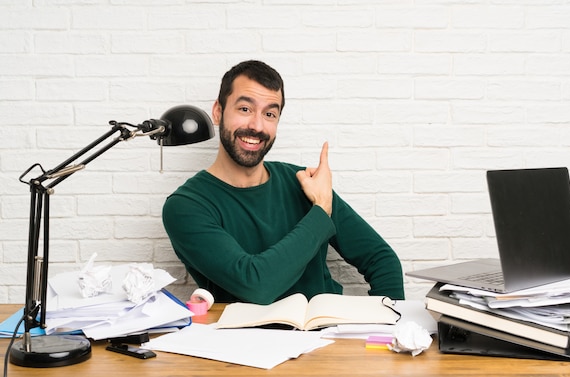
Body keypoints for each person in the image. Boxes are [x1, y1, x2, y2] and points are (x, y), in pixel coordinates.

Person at [162, 60, 405, 304]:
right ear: (218, 111)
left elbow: (381, 259)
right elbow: (256, 285)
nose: (257, 126)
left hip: (326, 335)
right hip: (243, 340)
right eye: (245, 109)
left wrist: (386, 323)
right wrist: (321, 211)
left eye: (269, 114)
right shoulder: (186, 206)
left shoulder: (304, 183)